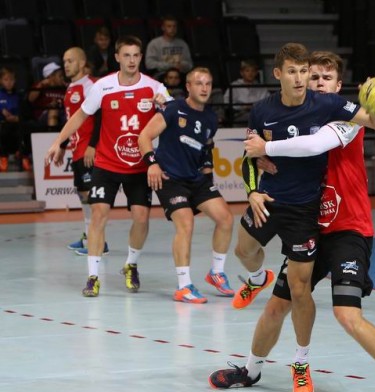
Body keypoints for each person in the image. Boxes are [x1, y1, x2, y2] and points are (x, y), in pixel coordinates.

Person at [207, 49, 375, 392]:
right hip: (312, 223)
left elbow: (321, 142)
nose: (317, 82)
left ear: (338, 87)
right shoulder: (298, 111)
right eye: (313, 76)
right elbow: (268, 150)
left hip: (348, 229)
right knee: (277, 306)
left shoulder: (344, 121)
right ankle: (251, 371)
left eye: (326, 78)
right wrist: (258, 165)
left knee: (347, 314)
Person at [45, 35, 171, 297]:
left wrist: (166, 108)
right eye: (126, 55)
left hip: (138, 165)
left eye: (136, 55)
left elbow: (174, 119)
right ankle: (92, 276)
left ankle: (131, 265)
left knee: (142, 218)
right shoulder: (103, 86)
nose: (132, 60)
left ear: (141, 57)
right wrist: (58, 141)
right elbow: (80, 115)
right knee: (98, 214)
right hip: (107, 163)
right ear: (117, 57)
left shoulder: (155, 87)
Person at [138, 67, 235, 303]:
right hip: (169, 178)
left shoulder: (211, 118)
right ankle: (183, 286)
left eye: (208, 84)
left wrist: (208, 177)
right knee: (186, 223)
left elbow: (207, 148)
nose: (204, 88)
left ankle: (216, 273)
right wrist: (152, 164)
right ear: (188, 87)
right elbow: (144, 136)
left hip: (196, 178)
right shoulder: (173, 109)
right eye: (199, 83)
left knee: (226, 219)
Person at [56, 47, 110, 256]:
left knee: (92, 196)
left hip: (88, 149)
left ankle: (100, 243)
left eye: (70, 61)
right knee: (83, 194)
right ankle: (89, 237)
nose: (66, 65)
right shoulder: (71, 87)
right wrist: (62, 146)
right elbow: (71, 120)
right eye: (64, 61)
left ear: (81, 62)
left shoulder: (90, 85)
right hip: (76, 149)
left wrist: (93, 146)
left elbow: (101, 117)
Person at [224, 59, 270, 124]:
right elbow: (226, 101)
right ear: (241, 72)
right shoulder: (234, 86)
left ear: (256, 73)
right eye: (247, 71)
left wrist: (255, 107)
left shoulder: (261, 88)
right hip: (239, 115)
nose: (250, 73)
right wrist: (242, 107)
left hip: (258, 115)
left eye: (253, 71)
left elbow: (267, 102)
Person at [27, 62, 67, 131]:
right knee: (53, 109)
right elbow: (30, 99)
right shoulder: (40, 86)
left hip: (62, 112)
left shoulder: (63, 88)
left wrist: (69, 87)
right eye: (60, 76)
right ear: (50, 77)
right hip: (44, 115)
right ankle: (52, 134)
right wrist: (41, 85)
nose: (62, 78)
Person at [0, 67, 23, 172]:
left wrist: (17, 118)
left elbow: (23, 112)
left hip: (16, 124)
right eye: (6, 79)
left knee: (23, 130)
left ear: (15, 80)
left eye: (11, 79)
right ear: (1, 81)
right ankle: (3, 157)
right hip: (2, 124)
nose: (9, 82)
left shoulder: (19, 95)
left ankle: (21, 155)